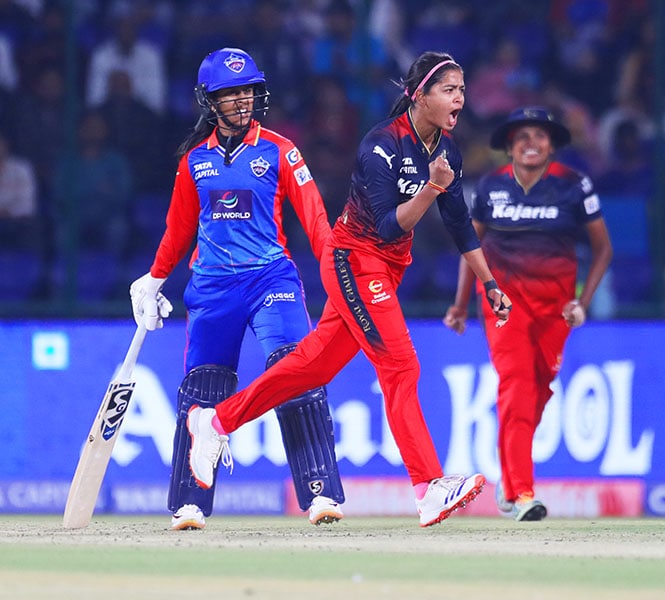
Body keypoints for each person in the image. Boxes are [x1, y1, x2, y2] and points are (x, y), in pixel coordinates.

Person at [182, 51, 512, 528]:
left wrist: (489, 282)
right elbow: (388, 225)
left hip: (385, 269)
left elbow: (459, 223)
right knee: (401, 366)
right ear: (419, 96)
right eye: (448, 89)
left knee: (308, 367)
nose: (459, 97)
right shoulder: (380, 145)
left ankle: (213, 422)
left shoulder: (447, 152)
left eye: (462, 89)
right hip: (353, 262)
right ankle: (428, 488)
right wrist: (431, 190)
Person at [128, 47, 345, 531]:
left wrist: (338, 273)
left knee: (294, 366)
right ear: (210, 100)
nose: (242, 100)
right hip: (212, 287)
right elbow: (179, 226)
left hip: (271, 278)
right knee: (203, 386)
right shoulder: (194, 161)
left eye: (248, 89)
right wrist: (154, 278)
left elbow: (314, 217)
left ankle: (321, 492)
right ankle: (190, 504)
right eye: (230, 93)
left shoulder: (281, 149)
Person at [443, 107, 613, 521]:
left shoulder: (574, 185)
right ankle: (521, 493)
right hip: (504, 305)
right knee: (516, 387)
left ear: (552, 145)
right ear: (509, 148)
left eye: (540, 135)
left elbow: (603, 249)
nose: (531, 143)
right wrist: (462, 304)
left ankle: (509, 473)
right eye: (522, 137)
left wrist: (582, 303)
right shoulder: (490, 188)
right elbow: (472, 248)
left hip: (556, 309)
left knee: (538, 390)